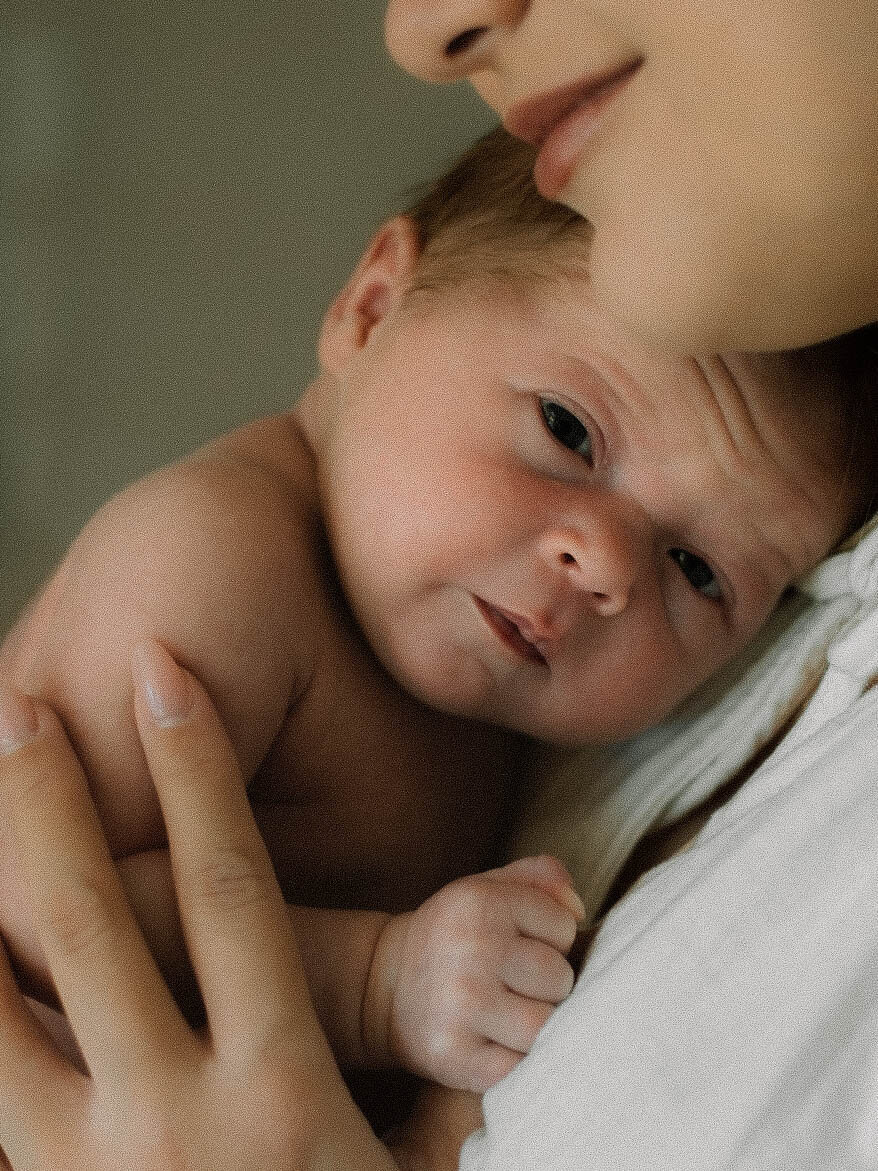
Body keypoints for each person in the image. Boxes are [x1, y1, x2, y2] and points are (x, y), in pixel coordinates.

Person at [0, 0, 877, 1166]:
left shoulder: (500, 689)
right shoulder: (210, 561)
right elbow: (33, 905)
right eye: (567, 427)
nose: (605, 565)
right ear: (369, 308)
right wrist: (380, 980)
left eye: (698, 570)